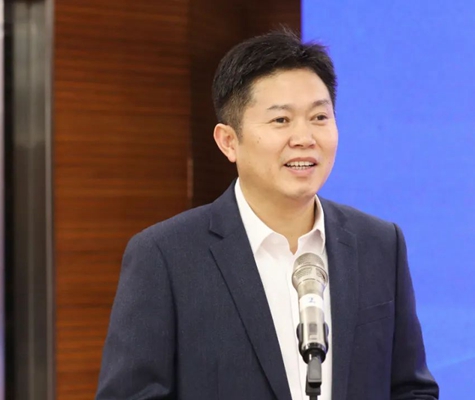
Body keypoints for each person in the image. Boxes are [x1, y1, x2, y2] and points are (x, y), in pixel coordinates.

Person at [96, 29, 439, 400]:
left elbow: (411, 389)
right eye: (281, 120)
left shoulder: (379, 244)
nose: (304, 138)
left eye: (319, 117)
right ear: (229, 141)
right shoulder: (166, 256)